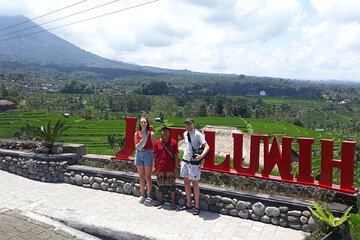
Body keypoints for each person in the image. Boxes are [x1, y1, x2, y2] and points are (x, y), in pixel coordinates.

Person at [179, 118, 210, 215]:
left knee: (195, 184)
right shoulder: (185, 134)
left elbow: (207, 146)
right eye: (186, 124)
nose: (188, 126)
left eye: (190, 124)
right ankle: (188, 203)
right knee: (186, 183)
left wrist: (201, 156)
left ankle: (197, 206)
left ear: (193, 124)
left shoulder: (198, 134)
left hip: (194, 162)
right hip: (185, 160)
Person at [152, 125, 179, 210]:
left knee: (172, 186)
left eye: (166, 131)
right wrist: (154, 167)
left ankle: (173, 202)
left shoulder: (174, 143)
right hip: (160, 168)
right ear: (161, 132)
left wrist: (176, 167)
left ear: (169, 132)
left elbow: (176, 156)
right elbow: (155, 156)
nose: (165, 132)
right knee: (160, 186)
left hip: (170, 168)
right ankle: (160, 200)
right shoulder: (157, 143)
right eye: (163, 131)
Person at [134, 117, 156, 204]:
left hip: (148, 154)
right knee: (141, 176)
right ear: (139, 123)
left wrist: (154, 160)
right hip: (139, 154)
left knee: (148, 176)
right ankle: (142, 195)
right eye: (142, 122)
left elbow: (154, 147)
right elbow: (136, 146)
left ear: (147, 123)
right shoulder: (136, 134)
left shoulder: (151, 134)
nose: (143, 124)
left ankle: (149, 195)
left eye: (145, 122)